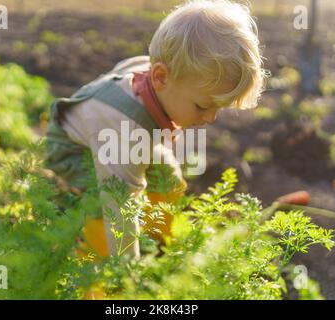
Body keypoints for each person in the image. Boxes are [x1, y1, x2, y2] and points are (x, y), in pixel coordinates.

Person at [45, 0, 266, 261]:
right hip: (74, 151)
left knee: (166, 174)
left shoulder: (157, 77)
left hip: (121, 138)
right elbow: (119, 207)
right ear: (160, 77)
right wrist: (128, 273)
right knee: (103, 217)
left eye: (218, 108)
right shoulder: (121, 134)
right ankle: (95, 274)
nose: (210, 118)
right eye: (202, 106)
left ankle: (158, 240)